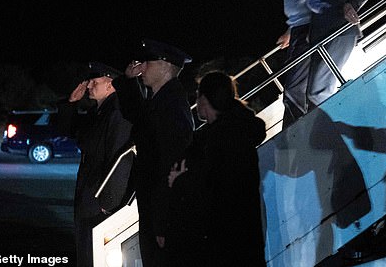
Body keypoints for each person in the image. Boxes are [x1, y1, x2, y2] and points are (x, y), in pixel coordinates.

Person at [170, 71, 267, 266]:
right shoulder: (239, 130)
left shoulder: (220, 140)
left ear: (204, 99)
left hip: (225, 239)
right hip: (246, 233)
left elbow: (211, 188)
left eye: (198, 95)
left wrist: (179, 180)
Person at [113, 39, 194, 267]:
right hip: (154, 206)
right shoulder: (161, 100)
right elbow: (138, 117)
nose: (143, 67)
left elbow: (171, 166)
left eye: (149, 61)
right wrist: (128, 81)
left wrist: (163, 222)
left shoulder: (172, 106)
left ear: (166, 66)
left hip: (162, 212)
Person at [57, 62, 134, 267]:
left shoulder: (117, 113)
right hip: (89, 194)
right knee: (86, 251)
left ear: (111, 85)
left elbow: (119, 161)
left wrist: (107, 204)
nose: (89, 85)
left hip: (99, 199)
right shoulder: (99, 112)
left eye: (95, 81)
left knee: (97, 255)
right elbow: (70, 131)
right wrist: (71, 103)